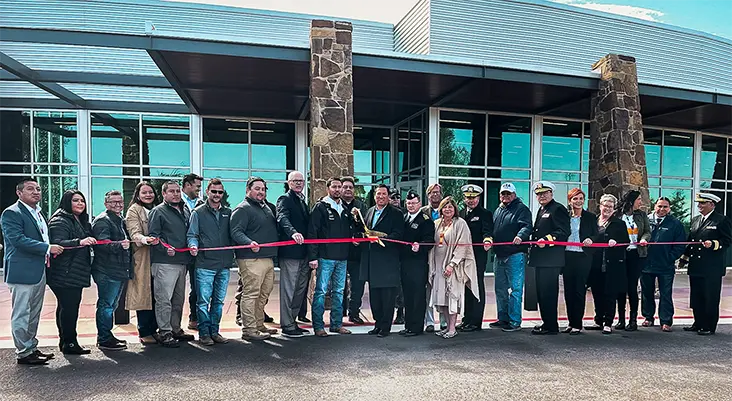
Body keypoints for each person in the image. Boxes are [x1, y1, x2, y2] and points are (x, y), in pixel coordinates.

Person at [2, 178, 63, 365]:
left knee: (34, 313)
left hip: (39, 270)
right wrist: (47, 248)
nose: (36, 192)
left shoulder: (38, 212)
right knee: (22, 313)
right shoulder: (12, 213)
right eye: (30, 189)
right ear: (19, 192)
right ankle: (23, 352)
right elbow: (17, 240)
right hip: (22, 271)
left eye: (38, 189)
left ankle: (31, 348)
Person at [48, 189, 97, 354]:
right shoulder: (60, 220)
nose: (80, 204)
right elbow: (57, 243)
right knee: (69, 309)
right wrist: (80, 241)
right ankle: (69, 342)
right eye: (76, 200)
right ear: (67, 202)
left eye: (82, 201)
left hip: (75, 272)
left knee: (66, 307)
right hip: (64, 273)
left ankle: (66, 342)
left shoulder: (80, 221)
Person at [230, 177, 279, 341]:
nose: (260, 192)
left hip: (267, 257)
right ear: (248, 190)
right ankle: (249, 329)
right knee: (251, 294)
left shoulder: (265, 207)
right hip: (251, 258)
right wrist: (249, 242)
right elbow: (236, 232)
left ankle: (259, 325)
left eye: (263, 189)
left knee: (263, 293)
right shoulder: (242, 209)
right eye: (257, 188)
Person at [148, 181, 195, 348]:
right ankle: (165, 331)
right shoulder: (158, 211)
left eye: (177, 191)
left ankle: (175, 328)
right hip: (164, 262)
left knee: (178, 299)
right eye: (171, 191)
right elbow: (154, 236)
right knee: (163, 299)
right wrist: (164, 248)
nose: (175, 194)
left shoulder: (185, 210)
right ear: (164, 194)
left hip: (182, 262)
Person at [187, 178, 234, 345]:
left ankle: (215, 331)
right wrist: (193, 246)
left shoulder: (228, 212)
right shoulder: (198, 212)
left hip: (224, 265)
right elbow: (192, 235)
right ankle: (204, 333)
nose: (217, 195)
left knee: (219, 302)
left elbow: (234, 234)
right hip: (205, 265)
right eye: (214, 191)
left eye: (220, 192)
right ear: (207, 192)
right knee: (203, 302)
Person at [679, 193, 732, 335]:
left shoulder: (721, 220)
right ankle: (698, 322)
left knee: (710, 297)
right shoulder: (696, 220)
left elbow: (727, 241)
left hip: (712, 267)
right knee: (697, 296)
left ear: (712, 205)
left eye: (703, 203)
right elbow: (691, 241)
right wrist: (684, 259)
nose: (699, 206)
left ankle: (709, 326)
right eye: (699, 203)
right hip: (696, 265)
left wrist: (714, 244)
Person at [428, 197, 480, 339]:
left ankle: (452, 328)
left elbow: (463, 246)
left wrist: (452, 264)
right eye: (445, 207)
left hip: (453, 267)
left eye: (450, 207)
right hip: (438, 266)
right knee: (441, 298)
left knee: (452, 297)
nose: (448, 209)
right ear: (441, 209)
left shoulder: (460, 224)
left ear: (455, 209)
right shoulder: (436, 223)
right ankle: (445, 326)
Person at [308, 177, 353, 337]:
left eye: (339, 187)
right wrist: (313, 257)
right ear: (328, 188)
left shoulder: (345, 209)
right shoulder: (320, 207)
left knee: (339, 292)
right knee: (320, 291)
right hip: (325, 257)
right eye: (334, 186)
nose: (337, 189)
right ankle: (318, 326)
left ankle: (336, 324)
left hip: (342, 258)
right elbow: (312, 232)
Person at [357, 184, 404, 337]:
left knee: (388, 297)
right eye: (378, 194)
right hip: (372, 261)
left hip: (387, 261)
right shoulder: (370, 211)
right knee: (375, 297)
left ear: (388, 196)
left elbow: (398, 234)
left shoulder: (396, 213)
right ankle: (377, 324)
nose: (381, 197)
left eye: (384, 194)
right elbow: (365, 230)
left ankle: (385, 327)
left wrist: (381, 240)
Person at [486, 182, 532, 332]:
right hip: (499, 255)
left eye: (508, 194)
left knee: (515, 289)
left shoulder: (521, 209)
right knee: (500, 289)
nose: (505, 196)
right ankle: (503, 318)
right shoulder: (498, 210)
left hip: (515, 254)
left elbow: (527, 226)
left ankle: (514, 321)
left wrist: (520, 235)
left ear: (514, 194)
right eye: (503, 194)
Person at [91, 190, 132, 351]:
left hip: (118, 270)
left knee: (111, 305)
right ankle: (104, 338)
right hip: (107, 271)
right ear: (106, 204)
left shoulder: (119, 220)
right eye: (113, 202)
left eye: (120, 201)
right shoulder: (103, 220)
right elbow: (101, 245)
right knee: (106, 305)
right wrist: (120, 245)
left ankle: (107, 335)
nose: (117, 204)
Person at [528, 181, 570, 335]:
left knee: (549, 294)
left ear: (552, 193)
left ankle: (551, 326)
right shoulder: (542, 209)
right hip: (541, 259)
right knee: (542, 293)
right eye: (539, 194)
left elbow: (564, 232)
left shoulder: (557, 209)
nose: (542, 196)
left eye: (545, 193)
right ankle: (547, 322)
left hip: (551, 259)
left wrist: (547, 239)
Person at [585, 194, 630, 334]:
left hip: (611, 264)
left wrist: (615, 242)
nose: (607, 209)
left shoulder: (619, 223)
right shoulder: (593, 221)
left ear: (614, 208)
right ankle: (598, 320)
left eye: (610, 206)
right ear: (600, 206)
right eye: (605, 205)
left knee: (610, 294)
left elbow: (626, 241)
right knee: (597, 293)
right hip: (595, 263)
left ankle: (608, 322)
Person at [641, 197, 686, 332]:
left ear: (669, 208)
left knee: (665, 294)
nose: (662, 209)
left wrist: (670, 258)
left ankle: (666, 321)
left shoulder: (675, 223)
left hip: (665, 266)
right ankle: (648, 317)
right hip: (646, 264)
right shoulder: (646, 220)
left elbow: (680, 245)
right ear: (655, 206)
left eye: (665, 207)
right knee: (646, 293)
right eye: (659, 206)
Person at [125, 181, 161, 345]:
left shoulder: (159, 208)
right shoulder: (134, 210)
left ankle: (156, 329)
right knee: (144, 294)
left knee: (158, 295)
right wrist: (145, 239)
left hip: (161, 258)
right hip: (143, 258)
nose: (148, 195)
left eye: (150, 192)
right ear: (138, 195)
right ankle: (145, 330)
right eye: (144, 192)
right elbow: (134, 233)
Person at [276, 171, 311, 337]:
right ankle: (287, 325)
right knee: (289, 290)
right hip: (290, 253)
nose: (298, 183)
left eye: (301, 181)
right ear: (289, 183)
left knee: (299, 291)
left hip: (304, 253)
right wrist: (293, 232)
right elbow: (282, 217)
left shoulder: (303, 200)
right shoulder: (285, 199)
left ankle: (293, 321)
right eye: (295, 181)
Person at [562, 188, 598, 335]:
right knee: (568, 290)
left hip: (583, 256)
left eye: (581, 199)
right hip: (567, 256)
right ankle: (570, 322)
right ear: (570, 200)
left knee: (578, 290)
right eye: (575, 199)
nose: (578, 201)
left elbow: (597, 234)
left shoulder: (590, 217)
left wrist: (591, 239)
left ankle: (577, 323)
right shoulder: (565, 216)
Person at [457, 184, 493, 332]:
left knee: (476, 287)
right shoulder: (461, 213)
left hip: (477, 255)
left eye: (473, 197)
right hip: (464, 256)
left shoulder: (484, 213)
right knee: (466, 288)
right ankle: (467, 319)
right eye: (468, 197)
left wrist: (487, 239)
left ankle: (476, 321)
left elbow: (487, 231)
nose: (470, 200)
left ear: (478, 198)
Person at [398, 190, 435, 337]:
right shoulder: (404, 218)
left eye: (413, 203)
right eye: (408, 203)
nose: (411, 206)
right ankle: (408, 325)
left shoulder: (425, 220)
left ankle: (417, 327)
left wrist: (420, 245)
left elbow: (430, 240)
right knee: (407, 295)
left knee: (418, 296)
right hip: (405, 263)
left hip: (418, 264)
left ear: (419, 204)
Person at [616, 190, 651, 331]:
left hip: (636, 255)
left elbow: (648, 231)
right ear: (631, 201)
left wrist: (644, 239)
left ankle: (633, 319)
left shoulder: (642, 215)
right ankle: (621, 319)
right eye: (638, 200)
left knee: (632, 288)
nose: (640, 202)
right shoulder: (618, 215)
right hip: (620, 255)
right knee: (620, 288)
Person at [341, 176, 368, 324]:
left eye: (350, 187)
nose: (348, 190)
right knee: (339, 286)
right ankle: (339, 313)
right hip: (340, 252)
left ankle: (354, 312)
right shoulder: (336, 205)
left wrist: (359, 237)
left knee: (358, 285)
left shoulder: (361, 206)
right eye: (345, 187)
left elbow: (366, 226)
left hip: (357, 254)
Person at [420, 183, 446, 332]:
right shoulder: (423, 212)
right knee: (428, 291)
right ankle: (429, 322)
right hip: (426, 257)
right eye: (432, 193)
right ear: (428, 195)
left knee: (442, 290)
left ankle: (443, 321)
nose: (435, 195)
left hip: (443, 257)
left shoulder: (447, 211)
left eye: (437, 192)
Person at [181, 173, 204, 330]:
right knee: (174, 290)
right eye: (197, 187)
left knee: (197, 287)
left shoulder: (202, 204)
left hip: (196, 252)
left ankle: (194, 318)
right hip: (177, 252)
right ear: (188, 185)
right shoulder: (174, 201)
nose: (199, 190)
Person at [388, 187, 406, 324]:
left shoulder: (405, 213)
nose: (395, 200)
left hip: (402, 254)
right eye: (392, 197)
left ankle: (400, 312)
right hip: (388, 254)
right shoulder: (385, 213)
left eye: (397, 197)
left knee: (401, 287)